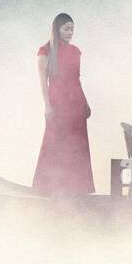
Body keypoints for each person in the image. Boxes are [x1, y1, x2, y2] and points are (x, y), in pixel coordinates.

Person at [33, 13, 94, 196]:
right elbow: (43, 82)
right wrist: (47, 106)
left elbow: (77, 79)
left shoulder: (76, 51)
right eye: (66, 29)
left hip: (76, 103)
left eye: (72, 29)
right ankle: (47, 187)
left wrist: (85, 104)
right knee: (54, 142)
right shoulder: (45, 51)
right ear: (57, 29)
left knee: (77, 144)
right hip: (57, 103)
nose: (70, 32)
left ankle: (78, 188)